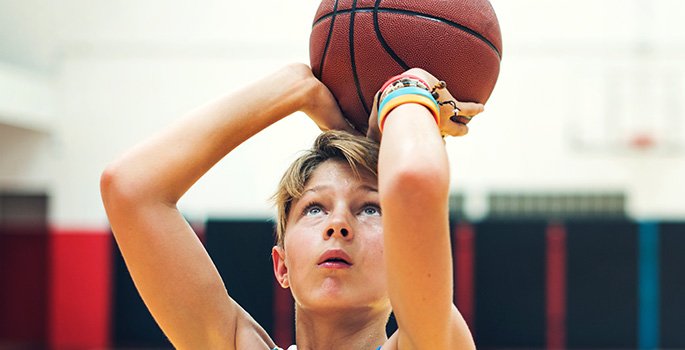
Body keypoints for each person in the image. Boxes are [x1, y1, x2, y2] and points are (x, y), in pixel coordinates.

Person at [100, 63, 484, 349]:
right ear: (282, 265)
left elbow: (414, 182)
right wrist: (299, 87)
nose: (338, 225)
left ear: (403, 262)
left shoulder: (435, 340)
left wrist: (405, 92)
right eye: (315, 208)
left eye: (369, 209)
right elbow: (130, 188)